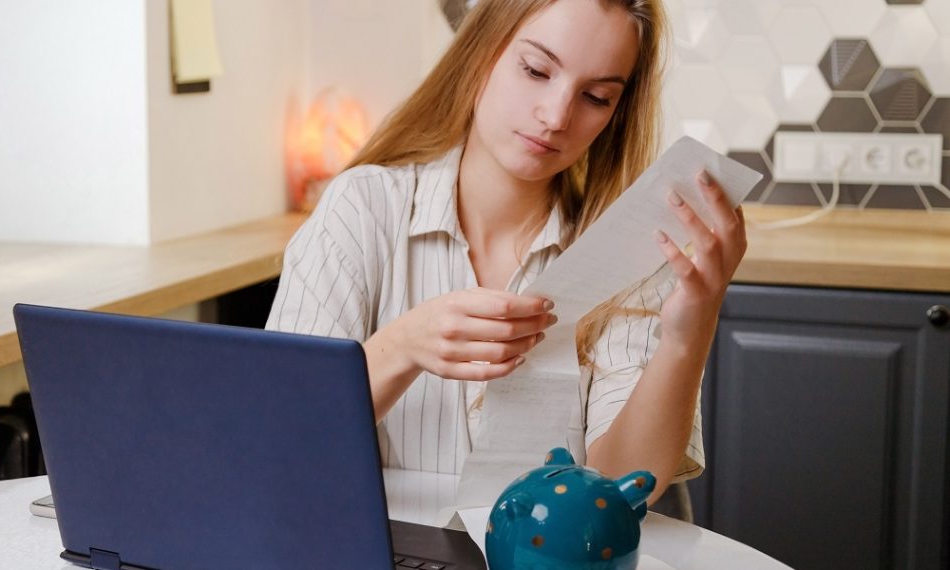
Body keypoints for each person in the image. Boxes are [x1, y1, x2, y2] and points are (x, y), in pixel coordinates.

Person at [265, 0, 747, 507]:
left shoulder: (631, 257)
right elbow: (278, 439)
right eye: (536, 70)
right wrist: (404, 346)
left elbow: (621, 490)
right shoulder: (360, 209)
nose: (556, 116)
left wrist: (687, 335)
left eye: (596, 97)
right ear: (480, 55)